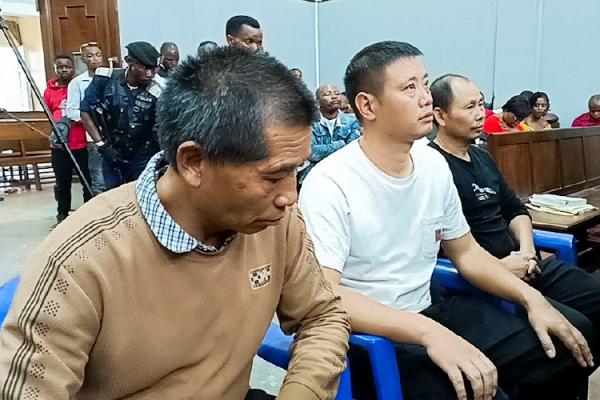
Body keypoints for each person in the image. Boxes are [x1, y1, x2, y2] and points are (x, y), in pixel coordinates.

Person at [0, 46, 350, 400]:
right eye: (273, 176)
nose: (290, 195)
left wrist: (301, 391)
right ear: (193, 162)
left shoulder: (275, 222)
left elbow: (322, 317)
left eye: (296, 170)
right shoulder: (80, 259)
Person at [299, 41, 595, 400]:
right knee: (477, 388)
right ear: (367, 105)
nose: (425, 98)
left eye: (425, 84)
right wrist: (428, 333)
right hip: (370, 335)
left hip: (432, 309)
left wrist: (532, 299)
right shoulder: (331, 182)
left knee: (568, 341)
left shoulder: (432, 164)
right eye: (409, 88)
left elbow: (466, 252)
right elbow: (327, 294)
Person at [429, 73, 600, 336]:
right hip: (485, 278)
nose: (480, 114)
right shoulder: (432, 166)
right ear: (440, 116)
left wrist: (527, 251)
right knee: (577, 327)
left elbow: (515, 210)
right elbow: (443, 246)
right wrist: (501, 267)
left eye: (481, 104)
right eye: (469, 107)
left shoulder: (482, 156)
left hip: (527, 264)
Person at [81, 41, 162, 190]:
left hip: (142, 155)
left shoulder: (157, 92)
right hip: (111, 152)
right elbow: (85, 111)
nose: (150, 74)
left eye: (154, 69)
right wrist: (101, 145)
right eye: (144, 68)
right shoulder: (105, 80)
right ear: (129, 61)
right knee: (111, 196)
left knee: (139, 195)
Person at [44, 54, 92, 225]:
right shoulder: (49, 92)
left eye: (68, 67)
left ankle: (88, 217)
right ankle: (62, 215)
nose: (64, 70)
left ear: (73, 68)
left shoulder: (79, 86)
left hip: (80, 143)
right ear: (55, 68)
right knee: (62, 183)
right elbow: (51, 115)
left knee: (86, 181)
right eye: (60, 67)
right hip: (59, 145)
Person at [297, 84, 360, 183]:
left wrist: (324, 150)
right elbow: (311, 153)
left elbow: (353, 151)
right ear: (318, 102)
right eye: (328, 94)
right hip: (315, 176)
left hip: (345, 174)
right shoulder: (308, 123)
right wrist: (341, 143)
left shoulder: (352, 122)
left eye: (337, 93)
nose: (334, 96)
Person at [66, 41, 105, 195]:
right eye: (90, 56)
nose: (95, 58)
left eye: (98, 55)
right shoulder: (77, 83)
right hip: (93, 136)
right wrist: (89, 119)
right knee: (98, 179)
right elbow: (71, 111)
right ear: (83, 59)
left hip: (115, 135)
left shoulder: (112, 78)